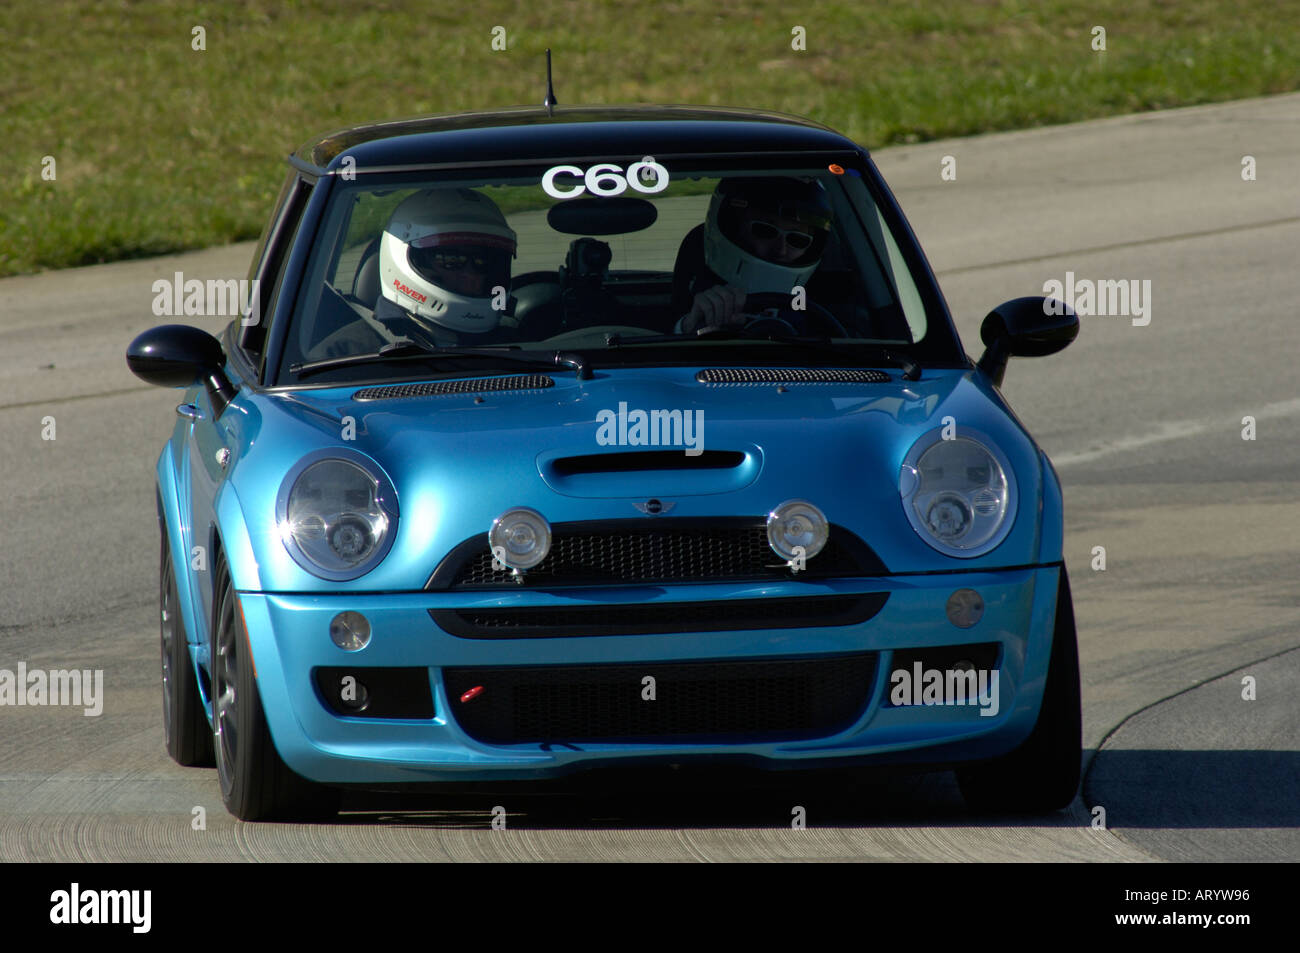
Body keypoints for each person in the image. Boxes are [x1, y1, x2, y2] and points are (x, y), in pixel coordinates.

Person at [674, 177, 832, 334]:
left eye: (798, 239)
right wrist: (690, 326)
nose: (781, 250)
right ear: (735, 228)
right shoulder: (703, 286)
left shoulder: (825, 295)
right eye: (765, 230)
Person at [374, 188, 518, 346]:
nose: (471, 275)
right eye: (451, 259)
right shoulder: (356, 351)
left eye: (484, 261)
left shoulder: (517, 344)